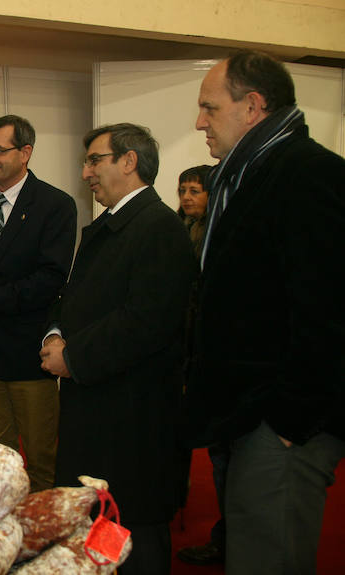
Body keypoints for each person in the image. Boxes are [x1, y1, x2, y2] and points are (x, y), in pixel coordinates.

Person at [186, 50, 345, 574]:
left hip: (280, 425)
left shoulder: (308, 174)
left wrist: (287, 421)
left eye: (210, 107)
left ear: (253, 106)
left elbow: (328, 310)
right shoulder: (249, 174)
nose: (199, 121)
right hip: (247, 416)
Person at [39, 123, 196, 574]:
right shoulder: (108, 227)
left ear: (129, 162)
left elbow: (146, 322)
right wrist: (53, 335)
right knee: (98, 524)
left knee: (133, 529)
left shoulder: (159, 227)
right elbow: (73, 300)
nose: (85, 171)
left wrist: (74, 357)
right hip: (95, 404)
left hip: (133, 417)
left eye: (95, 160)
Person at [0, 114, 76, 492]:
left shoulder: (55, 204)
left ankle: (46, 532)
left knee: (40, 455)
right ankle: (4, 527)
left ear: (25, 153)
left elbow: (51, 278)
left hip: (29, 352)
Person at [174, 163, 229, 566]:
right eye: (183, 190)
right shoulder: (174, 232)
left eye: (196, 190)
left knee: (222, 453)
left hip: (211, 352)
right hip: (181, 350)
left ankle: (228, 537)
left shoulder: (219, 235)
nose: (188, 198)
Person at [176, 165, 210, 257]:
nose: (185, 197)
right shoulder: (177, 225)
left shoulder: (213, 229)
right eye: (182, 191)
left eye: (194, 191)